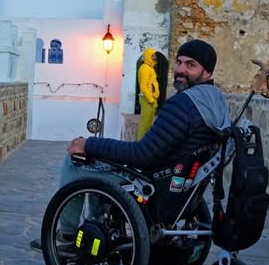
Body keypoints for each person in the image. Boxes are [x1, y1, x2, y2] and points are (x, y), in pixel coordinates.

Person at [31, 39, 230, 251]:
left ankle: (67, 238)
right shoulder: (216, 103)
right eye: (179, 62)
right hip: (175, 185)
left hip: (150, 187)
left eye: (191, 65)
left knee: (75, 162)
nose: (181, 70)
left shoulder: (183, 105)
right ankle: (95, 223)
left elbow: (142, 154)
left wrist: (89, 144)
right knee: (99, 161)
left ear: (207, 72)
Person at [136, 48, 160, 140]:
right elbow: (143, 86)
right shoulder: (145, 68)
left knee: (148, 125)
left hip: (150, 99)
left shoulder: (150, 68)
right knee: (144, 125)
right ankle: (139, 144)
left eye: (155, 55)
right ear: (147, 56)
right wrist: (150, 99)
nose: (155, 57)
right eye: (152, 55)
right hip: (147, 99)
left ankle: (144, 144)